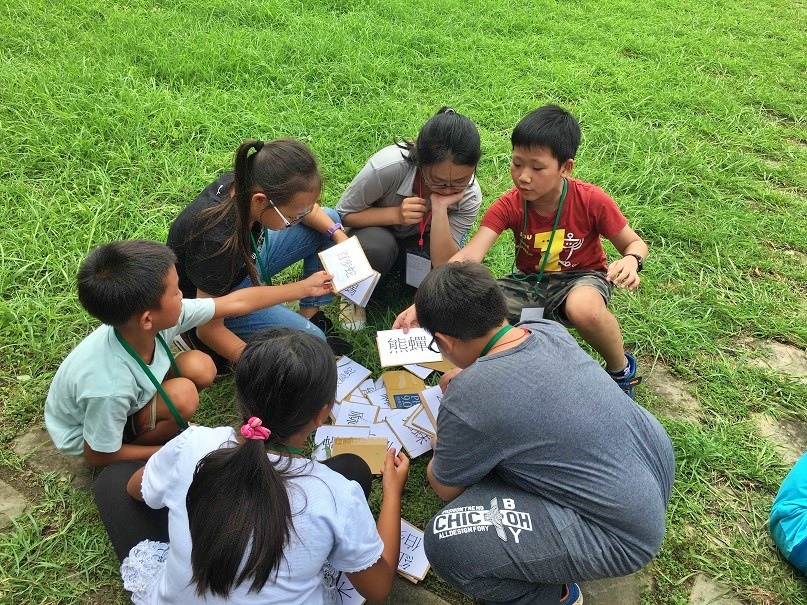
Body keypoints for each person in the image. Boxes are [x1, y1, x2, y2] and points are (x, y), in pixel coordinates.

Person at [396, 262, 675, 605]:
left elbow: (445, 486)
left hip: (619, 537)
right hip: (649, 470)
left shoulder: (469, 397)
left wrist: (444, 440)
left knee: (446, 539)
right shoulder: (545, 330)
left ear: (443, 341)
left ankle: (555, 595)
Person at [92, 328, 410, 604]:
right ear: (320, 414)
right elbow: (378, 587)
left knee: (114, 480)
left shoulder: (195, 444)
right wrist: (392, 491)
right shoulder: (335, 493)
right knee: (353, 467)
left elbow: (136, 488)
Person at [45, 240, 332, 468]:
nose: (182, 295)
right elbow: (97, 455)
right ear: (147, 318)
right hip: (87, 433)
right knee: (183, 393)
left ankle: (154, 417)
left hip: (133, 391)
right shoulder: (107, 388)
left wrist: (304, 288)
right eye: (174, 292)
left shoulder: (145, 325)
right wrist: (169, 452)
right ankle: (151, 436)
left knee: (200, 365)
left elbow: (237, 303)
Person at [432, 104, 648, 397]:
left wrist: (632, 261)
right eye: (517, 163)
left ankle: (620, 370)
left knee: (584, 309)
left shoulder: (591, 200)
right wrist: (432, 294)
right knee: (478, 311)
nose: (523, 176)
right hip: (530, 283)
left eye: (537, 167)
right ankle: (497, 372)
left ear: (565, 167)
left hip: (582, 278)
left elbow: (634, 243)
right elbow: (473, 252)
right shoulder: (508, 204)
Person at [168, 138, 350, 362]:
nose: (299, 219)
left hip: (246, 265)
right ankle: (193, 342)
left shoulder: (248, 183)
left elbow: (309, 212)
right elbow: (208, 330)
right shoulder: (216, 242)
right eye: (293, 217)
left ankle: (310, 313)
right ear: (260, 201)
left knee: (329, 221)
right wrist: (256, 368)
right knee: (313, 341)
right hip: (221, 298)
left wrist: (341, 238)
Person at [335, 107, 482, 329]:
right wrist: (394, 214)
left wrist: (440, 208)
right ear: (420, 163)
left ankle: (402, 284)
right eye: (438, 181)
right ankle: (353, 295)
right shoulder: (388, 167)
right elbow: (343, 215)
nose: (448, 189)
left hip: (417, 246)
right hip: (374, 238)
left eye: (460, 181)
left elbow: (446, 263)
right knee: (378, 246)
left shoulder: (470, 194)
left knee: (447, 278)